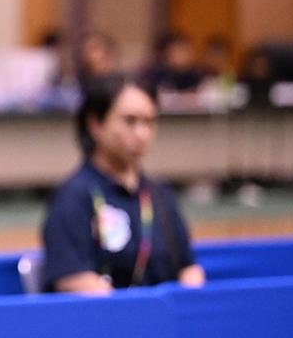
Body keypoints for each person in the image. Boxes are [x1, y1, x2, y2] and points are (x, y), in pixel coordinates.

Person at [41, 74, 207, 293]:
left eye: (149, 122)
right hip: (107, 312)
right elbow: (73, 277)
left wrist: (190, 295)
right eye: (130, 121)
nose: (142, 133)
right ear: (95, 125)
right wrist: (128, 308)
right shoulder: (73, 196)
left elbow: (188, 268)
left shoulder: (160, 194)